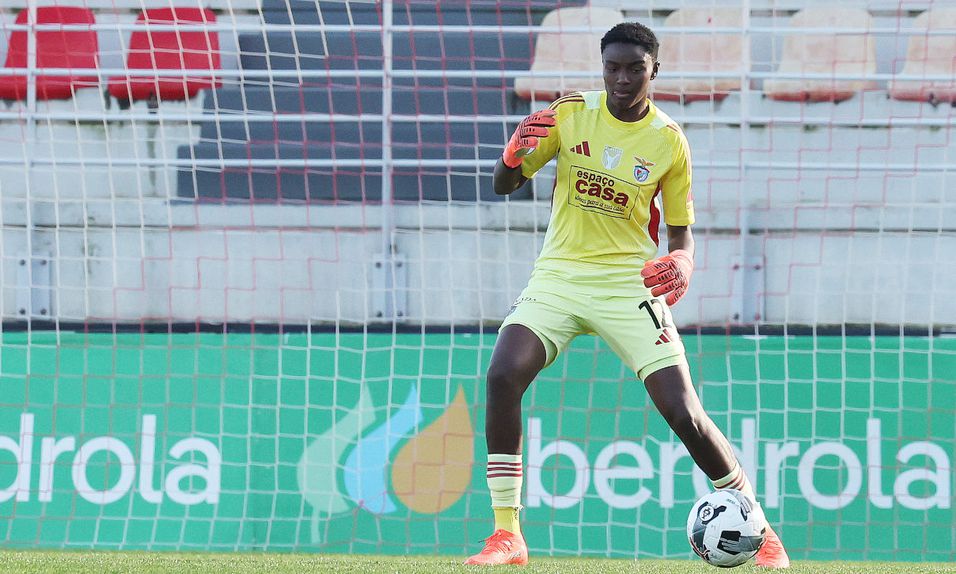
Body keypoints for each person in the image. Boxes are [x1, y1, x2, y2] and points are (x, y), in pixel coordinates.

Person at [464, 21, 791, 568]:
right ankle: (507, 534)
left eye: (634, 68)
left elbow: (681, 232)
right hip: (561, 275)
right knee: (502, 375)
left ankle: (759, 525)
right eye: (611, 67)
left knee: (683, 412)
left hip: (627, 283)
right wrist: (513, 154)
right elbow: (503, 185)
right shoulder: (569, 114)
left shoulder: (669, 140)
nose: (621, 78)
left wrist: (683, 261)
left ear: (654, 70)